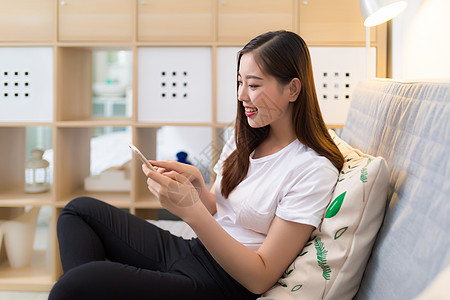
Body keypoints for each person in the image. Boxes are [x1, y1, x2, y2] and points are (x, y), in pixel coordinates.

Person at [49, 30, 344, 300]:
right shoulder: (246, 138)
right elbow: (222, 210)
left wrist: (190, 211)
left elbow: (261, 277)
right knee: (78, 212)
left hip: (223, 282)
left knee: (73, 285)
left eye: (253, 85)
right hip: (197, 251)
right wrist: (198, 188)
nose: (241, 95)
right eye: (240, 82)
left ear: (293, 90)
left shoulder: (312, 169)